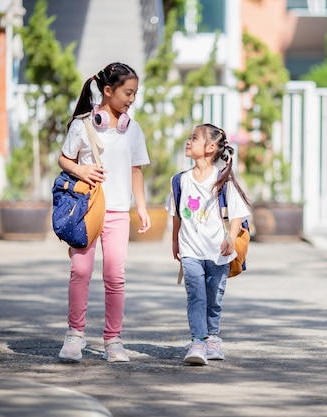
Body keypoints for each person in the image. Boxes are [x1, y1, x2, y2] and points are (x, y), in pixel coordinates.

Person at [57, 62, 151, 363]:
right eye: (127, 92)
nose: (131, 99)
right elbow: (63, 159)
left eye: (135, 93)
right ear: (107, 91)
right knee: (80, 271)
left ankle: (113, 340)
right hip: (86, 210)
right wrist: (81, 169)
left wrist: (142, 207)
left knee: (115, 276)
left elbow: (136, 171)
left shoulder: (132, 129)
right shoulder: (82, 125)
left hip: (119, 211)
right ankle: (74, 335)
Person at [167, 123, 251, 365]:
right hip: (191, 250)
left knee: (214, 297)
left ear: (210, 147)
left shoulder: (223, 179)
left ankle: (213, 338)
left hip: (218, 253)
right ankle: (198, 341)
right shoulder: (180, 181)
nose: (188, 141)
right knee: (196, 296)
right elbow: (176, 215)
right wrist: (175, 241)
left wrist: (230, 238)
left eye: (194, 138)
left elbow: (237, 214)